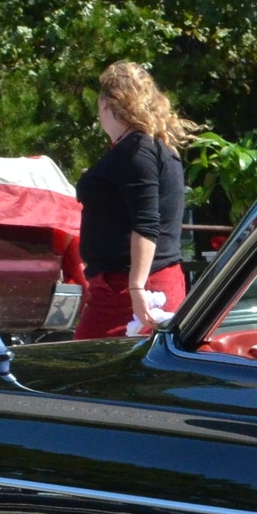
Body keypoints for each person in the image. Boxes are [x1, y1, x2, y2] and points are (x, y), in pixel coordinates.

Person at [74, 62, 195, 339]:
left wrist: (137, 288)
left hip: (132, 286)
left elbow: (146, 223)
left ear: (106, 103)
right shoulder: (146, 147)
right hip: (132, 283)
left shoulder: (137, 150)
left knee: (86, 367)